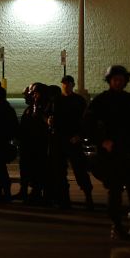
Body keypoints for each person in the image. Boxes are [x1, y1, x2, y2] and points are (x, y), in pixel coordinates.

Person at [84, 65, 130, 240]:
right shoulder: (101, 101)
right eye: (115, 79)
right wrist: (102, 141)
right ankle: (117, 225)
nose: (118, 82)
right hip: (112, 154)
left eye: (121, 79)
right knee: (114, 192)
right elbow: (88, 125)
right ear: (109, 81)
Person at [49, 75, 93, 210]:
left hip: (73, 138)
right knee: (60, 171)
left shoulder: (79, 100)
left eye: (68, 84)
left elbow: (86, 120)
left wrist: (80, 135)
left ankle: (88, 196)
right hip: (59, 138)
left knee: (79, 169)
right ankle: (64, 199)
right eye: (64, 84)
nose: (66, 86)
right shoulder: (56, 100)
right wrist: (49, 121)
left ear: (72, 85)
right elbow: (49, 115)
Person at [18, 82, 51, 204]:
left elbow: (46, 123)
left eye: (34, 93)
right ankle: (27, 190)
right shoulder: (31, 107)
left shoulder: (45, 106)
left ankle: (37, 192)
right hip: (28, 143)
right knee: (27, 167)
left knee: (38, 168)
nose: (32, 95)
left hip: (39, 143)